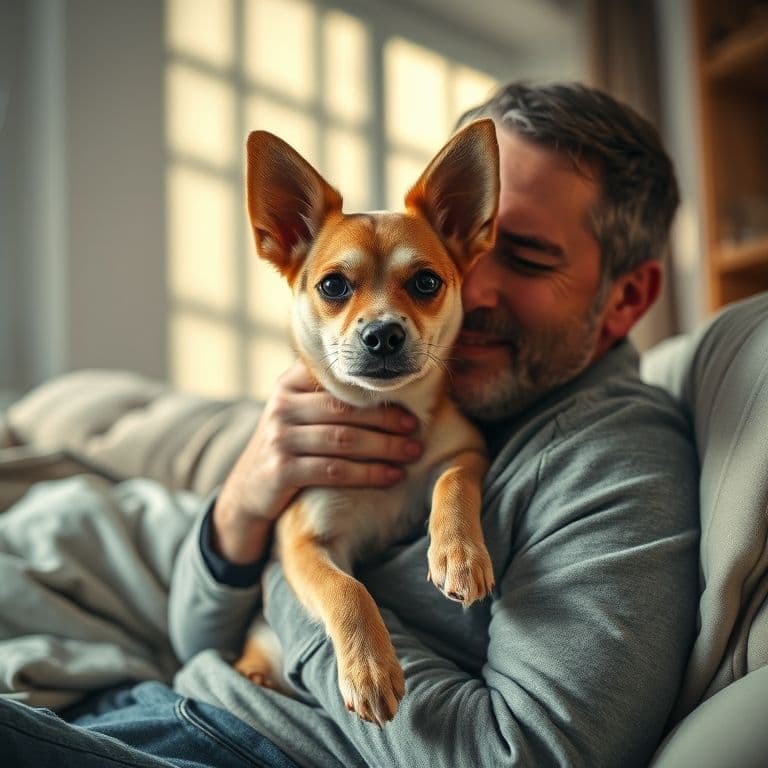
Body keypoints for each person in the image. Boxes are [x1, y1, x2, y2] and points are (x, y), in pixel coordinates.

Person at [0, 82, 699, 767]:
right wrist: (246, 506)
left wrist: (296, 569)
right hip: (173, 698)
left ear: (627, 298)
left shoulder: (615, 461)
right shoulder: (438, 402)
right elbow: (194, 638)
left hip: (244, 743)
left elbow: (528, 755)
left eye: (525, 257)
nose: (471, 281)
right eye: (337, 287)